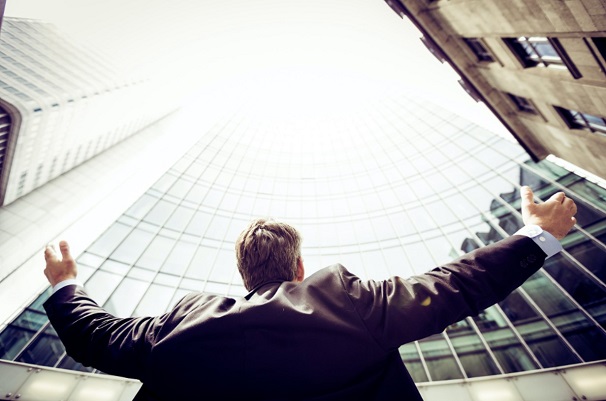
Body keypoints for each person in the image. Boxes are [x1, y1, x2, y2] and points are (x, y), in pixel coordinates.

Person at [43, 186, 577, 400]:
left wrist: (66, 282)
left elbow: (95, 337)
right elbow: (451, 286)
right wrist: (536, 236)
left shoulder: (180, 327)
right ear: (299, 267)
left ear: (244, 275)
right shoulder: (343, 300)